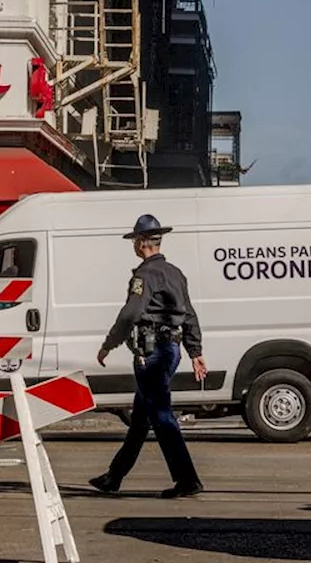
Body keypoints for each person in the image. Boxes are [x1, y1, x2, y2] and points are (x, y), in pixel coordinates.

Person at [89, 214, 207, 499]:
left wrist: (109, 344)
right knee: (142, 417)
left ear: (142, 243)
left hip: (152, 352)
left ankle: (187, 479)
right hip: (172, 349)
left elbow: (131, 313)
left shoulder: (144, 275)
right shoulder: (175, 273)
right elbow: (189, 314)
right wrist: (195, 351)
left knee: (161, 415)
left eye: (134, 241)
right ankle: (113, 477)